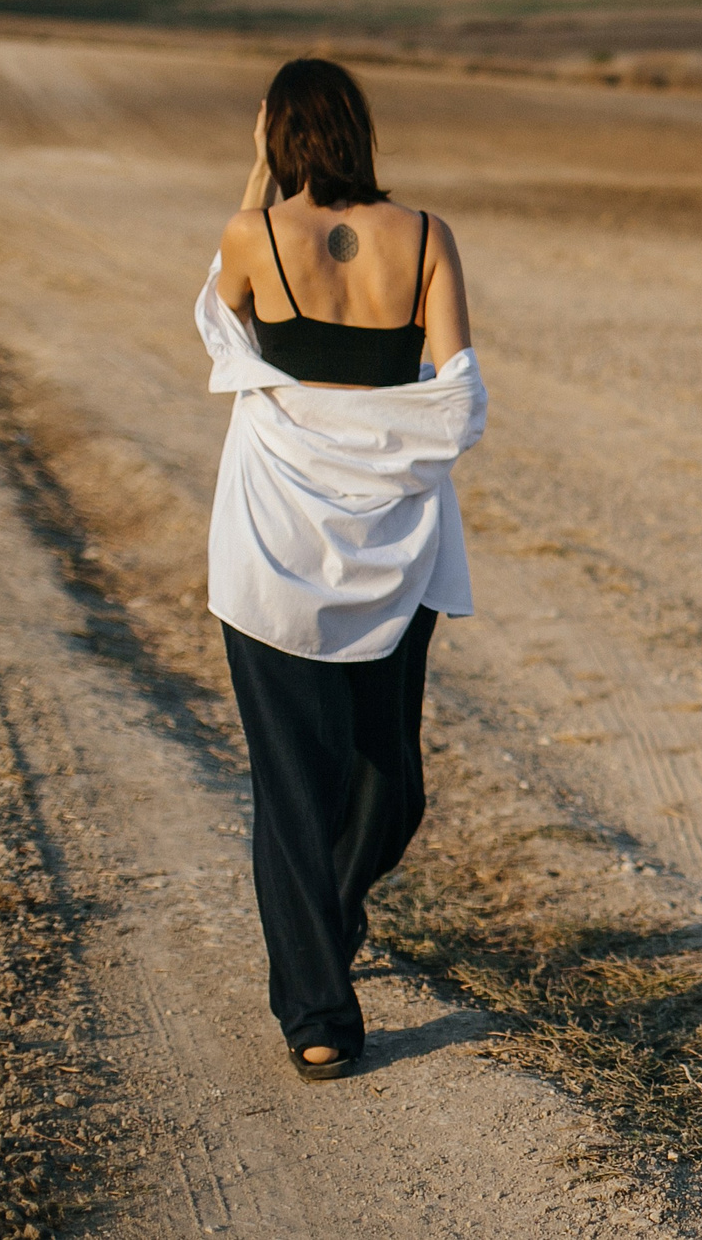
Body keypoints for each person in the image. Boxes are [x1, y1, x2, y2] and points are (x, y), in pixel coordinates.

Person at [197, 57, 484, 1082]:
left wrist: (251, 180)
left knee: (387, 782)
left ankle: (317, 920)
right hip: (368, 526)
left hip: (323, 534)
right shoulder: (424, 238)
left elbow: (218, 322)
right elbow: (455, 395)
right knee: (301, 780)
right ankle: (320, 1009)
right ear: (358, 128)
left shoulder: (254, 234)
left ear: (277, 136)